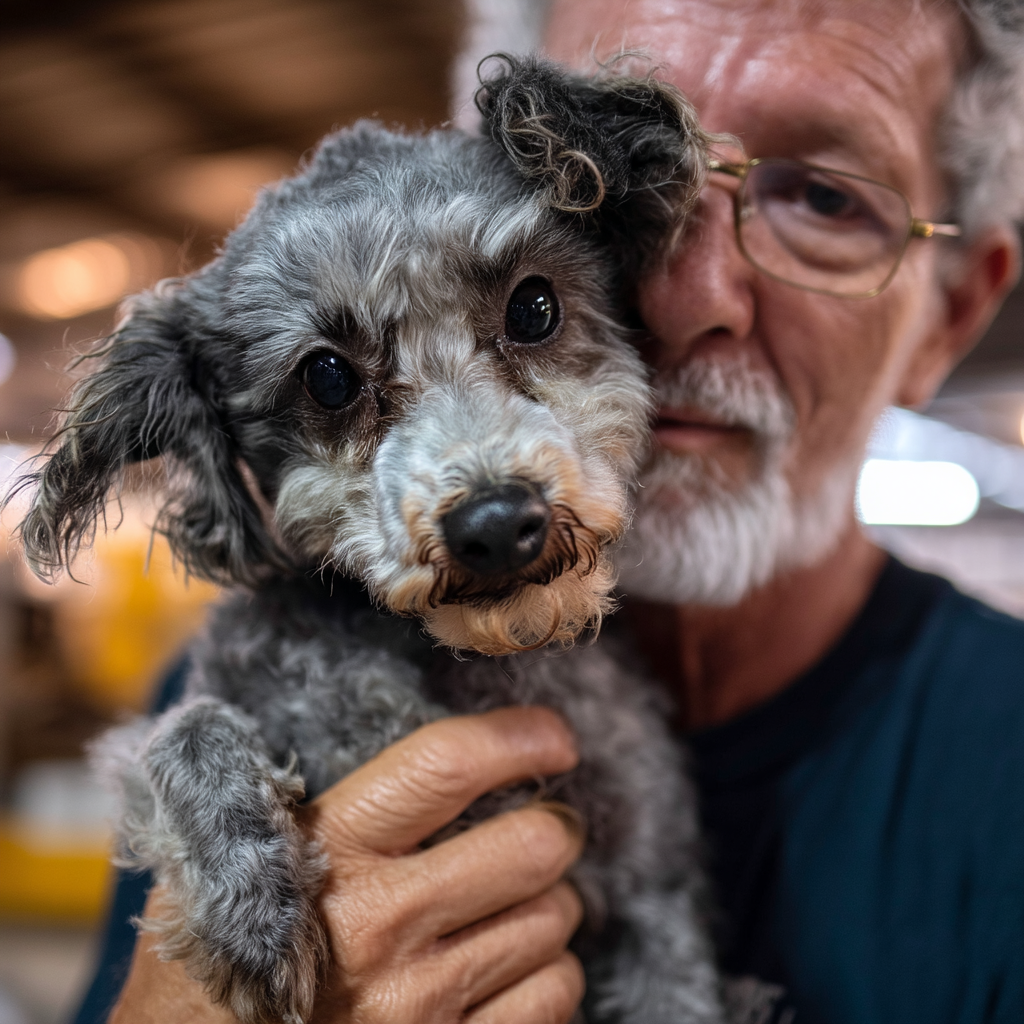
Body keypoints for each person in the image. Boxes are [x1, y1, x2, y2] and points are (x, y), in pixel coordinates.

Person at [79, 1, 1024, 1021]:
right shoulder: (219, 721)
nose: (687, 294)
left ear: (952, 313)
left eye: (825, 198)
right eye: (605, 182)